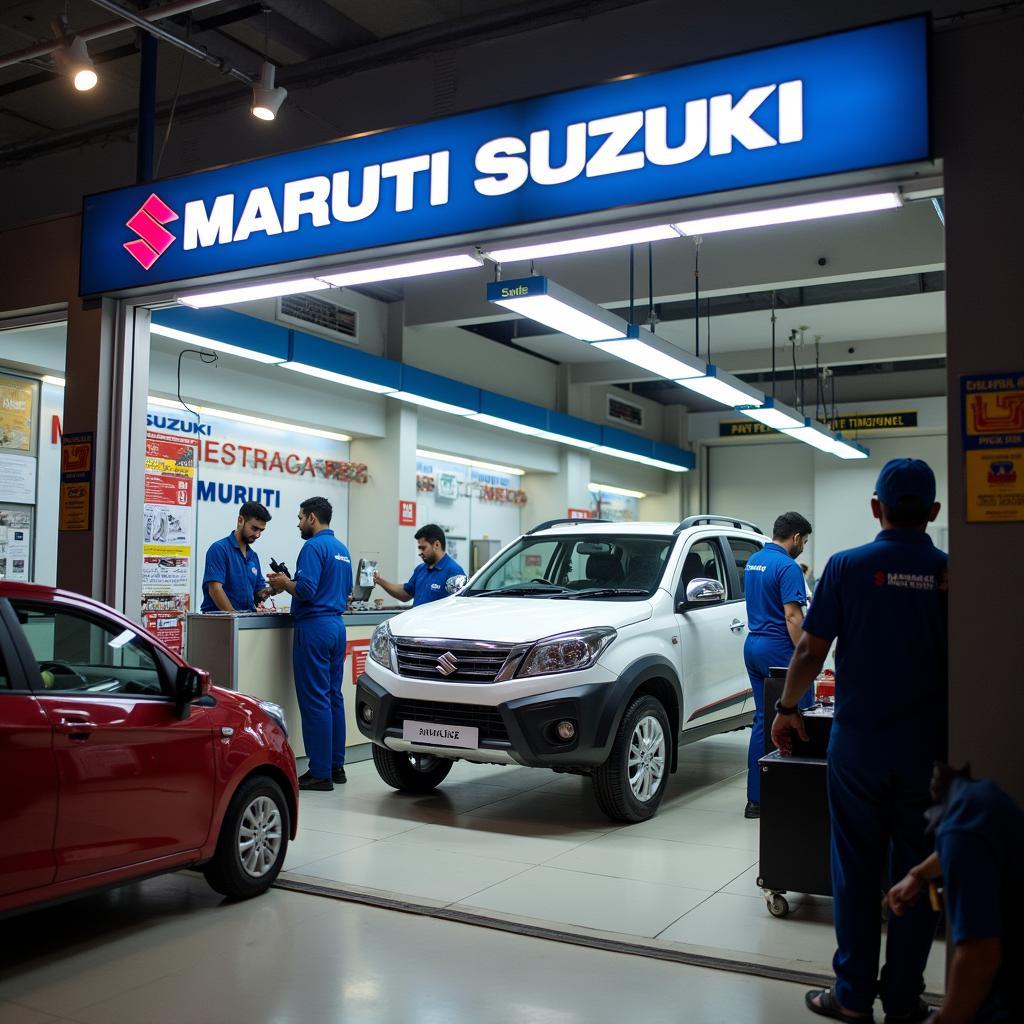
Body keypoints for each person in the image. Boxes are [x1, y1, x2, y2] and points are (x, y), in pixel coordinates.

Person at [772, 458, 948, 1024]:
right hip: (930, 751)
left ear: (876, 509)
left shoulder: (846, 567)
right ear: (935, 513)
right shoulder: (952, 573)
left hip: (860, 746)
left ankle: (850, 994)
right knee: (917, 869)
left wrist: (787, 707)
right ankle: (903, 996)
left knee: (854, 867)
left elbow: (809, 651)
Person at [887, 765, 1022, 1024]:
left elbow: (980, 957)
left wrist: (943, 1020)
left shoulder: (958, 832)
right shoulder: (981, 796)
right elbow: (966, 841)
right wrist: (918, 874)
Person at [267, 497, 353, 792]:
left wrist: (282, 583)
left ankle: (319, 772)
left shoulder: (313, 547)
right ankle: (335, 765)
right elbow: (345, 591)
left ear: (313, 518)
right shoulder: (342, 550)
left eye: (301, 517)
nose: (298, 523)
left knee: (315, 699)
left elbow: (304, 590)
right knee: (332, 697)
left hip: (314, 627)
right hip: (336, 627)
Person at [741, 510, 814, 818]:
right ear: (795, 537)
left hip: (753, 645)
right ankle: (795, 795)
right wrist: (807, 655)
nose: (803, 547)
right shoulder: (788, 567)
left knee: (762, 720)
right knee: (798, 716)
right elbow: (793, 617)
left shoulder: (754, 562)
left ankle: (756, 799)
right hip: (779, 649)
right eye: (804, 541)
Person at [200, 501, 274, 612]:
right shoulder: (219, 549)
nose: (257, 535)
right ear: (240, 520)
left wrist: (275, 588)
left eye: (261, 530)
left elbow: (259, 594)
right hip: (218, 622)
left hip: (244, 623)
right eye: (254, 528)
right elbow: (215, 589)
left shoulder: (253, 556)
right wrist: (235, 617)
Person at [373, 523, 466, 607]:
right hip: (417, 624)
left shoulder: (454, 572)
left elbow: (458, 608)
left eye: (423, 548)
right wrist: (380, 581)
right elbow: (405, 594)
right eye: (419, 548)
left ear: (437, 545)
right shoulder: (421, 569)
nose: (420, 553)